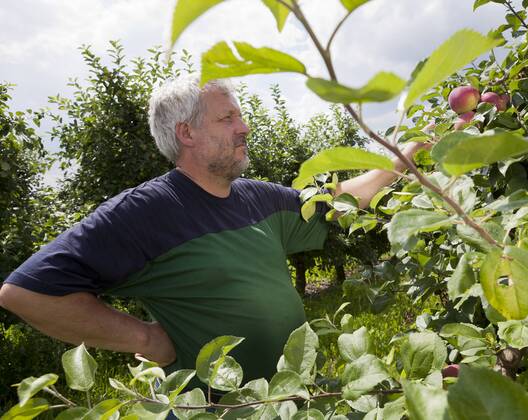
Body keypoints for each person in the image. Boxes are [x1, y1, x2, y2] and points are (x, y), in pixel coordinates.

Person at [0, 73, 423, 388]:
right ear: (186, 133)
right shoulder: (147, 211)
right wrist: (144, 337)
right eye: (228, 118)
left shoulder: (257, 197)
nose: (244, 127)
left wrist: (408, 154)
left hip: (291, 399)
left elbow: (340, 200)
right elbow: (25, 292)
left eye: (240, 116)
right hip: (213, 410)